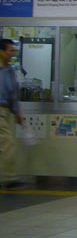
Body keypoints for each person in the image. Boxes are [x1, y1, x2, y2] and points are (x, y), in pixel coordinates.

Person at [0, 38, 24, 189]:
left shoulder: (10, 71)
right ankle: (9, 177)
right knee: (8, 143)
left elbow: (13, 93)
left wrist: (16, 112)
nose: (12, 54)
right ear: (1, 51)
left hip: (5, 110)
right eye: (10, 50)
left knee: (4, 144)